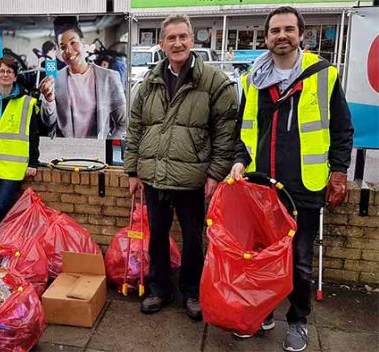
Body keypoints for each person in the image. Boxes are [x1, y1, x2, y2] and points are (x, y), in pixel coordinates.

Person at [230, 7, 353, 352]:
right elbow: (245, 132)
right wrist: (240, 161)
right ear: (266, 38)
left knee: (299, 261)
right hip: (262, 187)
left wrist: (339, 172)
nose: (280, 36)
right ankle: (264, 312)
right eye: (274, 31)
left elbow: (342, 130)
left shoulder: (323, 75)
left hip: (305, 186)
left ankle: (298, 320)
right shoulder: (252, 80)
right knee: (262, 256)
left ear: (301, 34)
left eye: (288, 29)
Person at [124, 14, 238, 319]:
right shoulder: (148, 83)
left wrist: (215, 173)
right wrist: (132, 170)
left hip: (193, 179)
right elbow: (135, 128)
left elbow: (226, 132)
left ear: (193, 39)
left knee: (193, 239)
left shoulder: (214, 82)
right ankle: (159, 288)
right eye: (171, 38)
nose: (177, 43)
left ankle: (192, 291)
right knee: (158, 236)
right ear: (162, 44)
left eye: (183, 37)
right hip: (155, 177)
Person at [0, 57, 40, 251]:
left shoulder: (27, 103)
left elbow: (33, 134)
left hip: (12, 166)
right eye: (1, 71)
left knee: (1, 206)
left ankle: (1, 246)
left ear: (14, 76)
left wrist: (33, 162)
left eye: (9, 72)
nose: (5, 75)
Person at [39, 18, 126, 139]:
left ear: (83, 43)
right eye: (63, 47)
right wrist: (49, 100)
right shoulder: (55, 79)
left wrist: (106, 147)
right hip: (64, 152)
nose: (68, 50)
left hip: (97, 153)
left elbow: (123, 124)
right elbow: (48, 122)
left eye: (73, 42)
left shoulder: (109, 77)